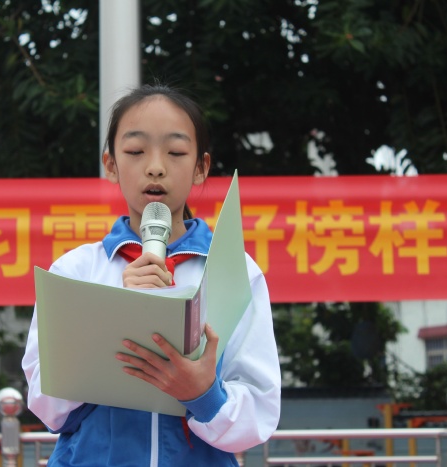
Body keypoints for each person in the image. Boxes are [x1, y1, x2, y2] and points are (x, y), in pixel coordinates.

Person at [22, 83, 281, 466]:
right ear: (111, 164)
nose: (155, 166)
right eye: (135, 151)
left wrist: (203, 395)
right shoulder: (76, 270)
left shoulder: (234, 271)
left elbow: (257, 414)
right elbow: (46, 404)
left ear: (201, 167)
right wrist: (117, 318)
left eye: (175, 152)